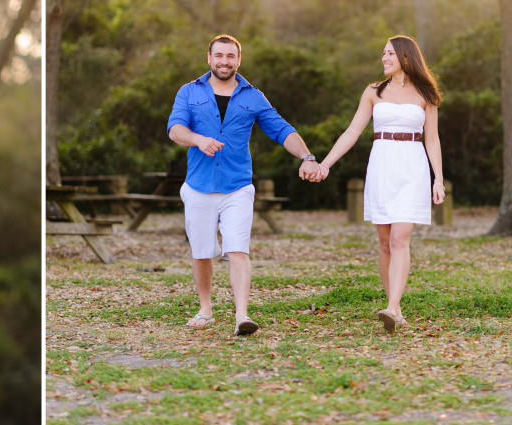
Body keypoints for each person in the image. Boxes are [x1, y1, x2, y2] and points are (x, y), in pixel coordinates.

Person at [167, 35, 324, 337]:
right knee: (202, 251)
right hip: (198, 185)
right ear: (209, 58)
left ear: (239, 60)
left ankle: (242, 315)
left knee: (237, 249)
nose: (224, 61)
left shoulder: (252, 96)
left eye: (230, 56)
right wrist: (198, 140)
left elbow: (281, 129)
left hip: (238, 185)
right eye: (219, 55)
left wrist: (307, 156)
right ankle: (205, 309)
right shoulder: (189, 92)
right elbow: (175, 129)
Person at [311, 36, 445, 333]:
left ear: (406, 58)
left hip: (412, 166)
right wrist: (325, 164)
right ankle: (392, 306)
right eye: (383, 53)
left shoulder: (425, 93)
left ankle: (393, 308)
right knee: (384, 244)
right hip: (382, 165)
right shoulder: (374, 91)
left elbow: (432, 139)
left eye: (390, 53)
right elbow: (351, 132)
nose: (384, 58)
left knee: (400, 239)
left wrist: (438, 178)